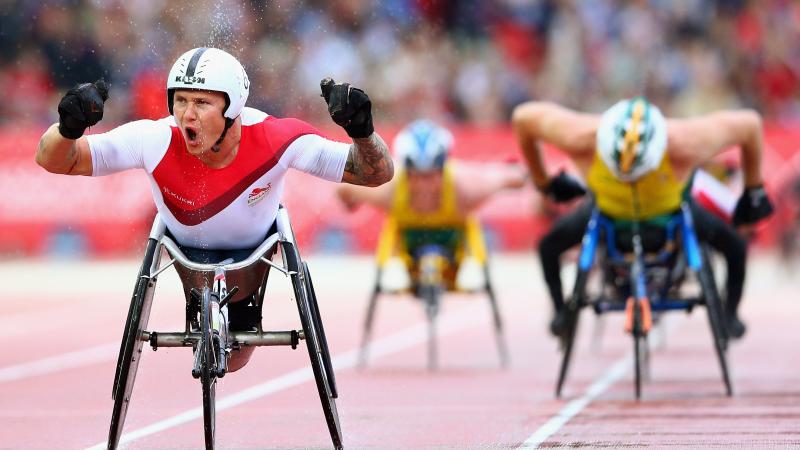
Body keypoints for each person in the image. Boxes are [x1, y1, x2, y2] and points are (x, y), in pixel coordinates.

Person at [35, 47, 394, 372]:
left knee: (236, 356)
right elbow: (55, 159)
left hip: (254, 256)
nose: (187, 115)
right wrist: (69, 128)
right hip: (184, 252)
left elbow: (376, 173)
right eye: (180, 101)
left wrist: (361, 131)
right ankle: (207, 309)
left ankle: (239, 311)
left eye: (202, 103)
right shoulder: (153, 138)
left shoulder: (277, 138)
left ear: (233, 106)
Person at [512, 97, 773, 339]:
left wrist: (754, 192)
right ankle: (561, 312)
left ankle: (730, 314)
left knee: (737, 246)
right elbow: (522, 118)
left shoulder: (683, 142)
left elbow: (751, 124)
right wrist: (543, 182)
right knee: (547, 247)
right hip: (608, 214)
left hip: (668, 213)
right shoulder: (583, 137)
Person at [336, 119, 526, 290]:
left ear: (443, 170)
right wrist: (351, 203)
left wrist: (519, 175)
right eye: (416, 176)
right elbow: (344, 189)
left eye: (430, 176)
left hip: (453, 242)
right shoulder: (389, 189)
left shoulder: (465, 188)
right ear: (406, 173)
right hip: (409, 244)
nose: (423, 185)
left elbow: (505, 176)